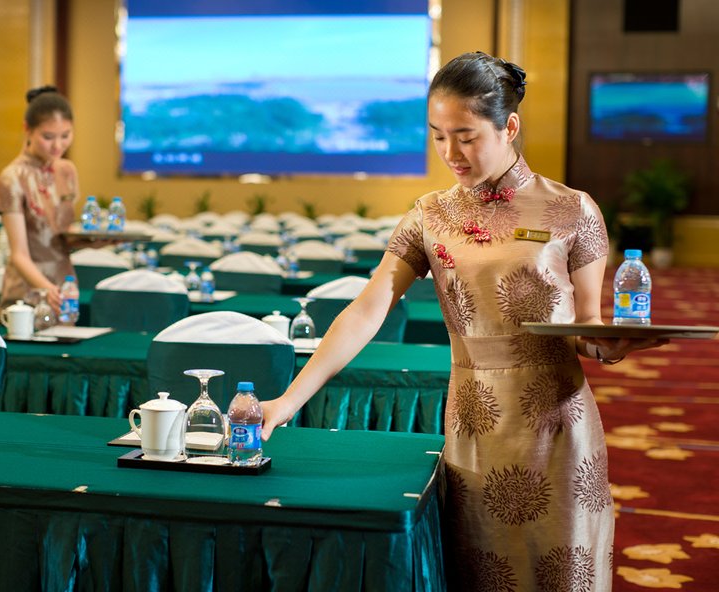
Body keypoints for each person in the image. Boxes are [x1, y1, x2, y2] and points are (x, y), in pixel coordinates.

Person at [261, 51, 666, 589]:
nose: (451, 153)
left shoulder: (573, 209)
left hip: (556, 425)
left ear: (509, 127)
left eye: (467, 136)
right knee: (479, 573)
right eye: (438, 136)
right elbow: (367, 310)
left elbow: (588, 327)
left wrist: (609, 346)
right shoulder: (430, 215)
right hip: (474, 426)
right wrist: (289, 401)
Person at [0, 85, 79, 316]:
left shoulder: (67, 171)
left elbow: (61, 236)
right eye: (48, 137)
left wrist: (94, 241)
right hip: (26, 290)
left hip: (64, 283)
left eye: (65, 136)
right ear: (27, 130)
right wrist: (47, 289)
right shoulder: (12, 178)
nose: (58, 146)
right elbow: (18, 254)